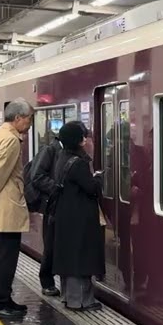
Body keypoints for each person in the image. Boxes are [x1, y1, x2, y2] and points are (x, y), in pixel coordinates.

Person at [0, 99, 34, 320]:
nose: (30, 124)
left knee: (5, 254)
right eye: (28, 119)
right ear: (18, 118)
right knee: (6, 256)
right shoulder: (11, 140)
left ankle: (4, 297)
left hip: (1, 203)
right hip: (6, 204)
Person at [51, 121, 104, 311]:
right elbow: (91, 188)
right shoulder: (78, 163)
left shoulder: (62, 157)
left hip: (65, 215)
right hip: (80, 218)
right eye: (83, 136)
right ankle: (81, 301)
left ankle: (68, 297)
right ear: (77, 140)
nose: (85, 139)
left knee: (69, 258)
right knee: (81, 258)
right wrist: (98, 178)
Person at [25, 128, 63, 296]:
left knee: (57, 243)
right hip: (50, 205)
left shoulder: (67, 151)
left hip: (61, 204)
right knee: (50, 244)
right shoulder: (50, 150)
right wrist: (56, 189)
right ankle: (46, 281)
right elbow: (36, 176)